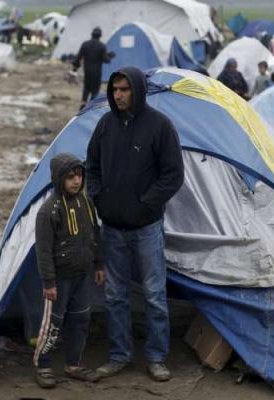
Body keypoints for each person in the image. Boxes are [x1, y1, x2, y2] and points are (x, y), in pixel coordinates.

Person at [86, 67, 184, 383]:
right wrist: (98, 198)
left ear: (138, 90)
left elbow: (173, 175)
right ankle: (119, 356)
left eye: (125, 89)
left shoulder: (160, 126)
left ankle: (156, 357)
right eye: (114, 90)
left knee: (154, 294)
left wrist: (145, 204)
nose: (118, 95)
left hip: (147, 227)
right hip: (112, 228)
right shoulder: (105, 125)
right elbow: (92, 166)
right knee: (115, 295)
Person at [32, 153, 106, 389]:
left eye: (80, 175)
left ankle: (73, 364)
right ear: (59, 179)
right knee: (53, 324)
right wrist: (49, 282)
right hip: (60, 279)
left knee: (81, 319)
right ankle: (43, 365)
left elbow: (94, 235)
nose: (76, 181)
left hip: (83, 275)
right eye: (70, 177)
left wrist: (98, 264)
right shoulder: (48, 211)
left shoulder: (86, 203)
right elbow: (43, 251)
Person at [73, 27, 115, 107]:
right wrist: (110, 56)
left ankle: (83, 104)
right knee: (95, 90)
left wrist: (75, 68)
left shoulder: (85, 44)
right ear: (100, 36)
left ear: (92, 34)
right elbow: (105, 59)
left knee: (86, 88)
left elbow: (78, 58)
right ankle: (91, 106)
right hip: (97, 72)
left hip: (87, 71)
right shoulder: (102, 46)